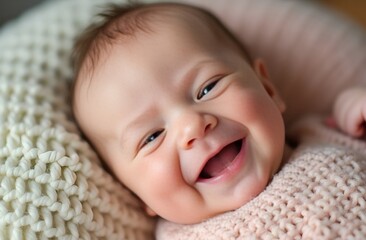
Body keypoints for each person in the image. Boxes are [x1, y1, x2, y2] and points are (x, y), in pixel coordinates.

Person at [71, 1, 366, 225]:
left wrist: (354, 109)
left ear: (268, 88)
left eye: (207, 88)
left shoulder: (325, 133)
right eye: (152, 137)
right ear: (135, 193)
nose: (191, 126)